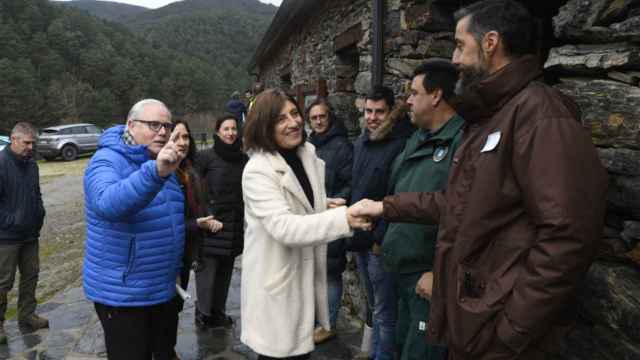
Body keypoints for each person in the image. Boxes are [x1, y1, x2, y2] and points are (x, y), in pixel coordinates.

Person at [351, 1, 609, 359]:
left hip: (500, 335)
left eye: (459, 45)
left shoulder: (540, 114)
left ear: (490, 42)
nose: (453, 59)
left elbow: (568, 236)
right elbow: (461, 202)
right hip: (475, 325)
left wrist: (509, 332)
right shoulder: (491, 117)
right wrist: (385, 206)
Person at [240, 88, 371, 359]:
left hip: (303, 280)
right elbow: (284, 226)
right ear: (264, 126)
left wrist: (323, 205)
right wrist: (343, 218)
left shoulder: (305, 155)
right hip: (278, 285)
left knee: (301, 352)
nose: (294, 122)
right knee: (280, 352)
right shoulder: (257, 171)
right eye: (281, 119)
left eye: (294, 113)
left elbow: (298, 200)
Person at [83, 99, 187, 360]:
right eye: (154, 125)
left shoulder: (160, 161)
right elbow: (108, 203)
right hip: (124, 296)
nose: (163, 132)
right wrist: (155, 173)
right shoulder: (106, 161)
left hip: (161, 289)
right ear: (130, 125)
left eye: (166, 125)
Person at [381, 59, 462, 360]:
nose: (408, 101)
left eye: (414, 93)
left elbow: (463, 214)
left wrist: (438, 273)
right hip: (400, 270)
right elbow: (399, 192)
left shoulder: (462, 141)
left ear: (436, 95)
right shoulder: (416, 138)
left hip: (426, 279)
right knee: (400, 347)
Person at [350, 85, 414, 360]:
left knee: (386, 312)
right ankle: (375, 352)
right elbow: (357, 187)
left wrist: (381, 239)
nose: (373, 117)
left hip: (380, 244)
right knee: (375, 306)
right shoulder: (362, 142)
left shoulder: (400, 145)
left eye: (379, 111)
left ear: (391, 113)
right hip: (361, 239)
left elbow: (398, 195)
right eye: (368, 111)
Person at [171, 119, 223, 353]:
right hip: (168, 252)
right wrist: (195, 224)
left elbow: (198, 205)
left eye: (185, 136)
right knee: (166, 307)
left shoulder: (188, 168)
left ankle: (167, 349)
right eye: (176, 136)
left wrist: (206, 218)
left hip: (187, 249)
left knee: (176, 305)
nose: (182, 142)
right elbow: (161, 223)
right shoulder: (163, 171)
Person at [306, 98, 353, 344]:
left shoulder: (342, 146)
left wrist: (339, 200)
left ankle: (328, 324)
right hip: (310, 219)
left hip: (331, 216)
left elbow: (349, 181)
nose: (318, 121)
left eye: (322, 116)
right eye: (313, 118)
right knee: (314, 273)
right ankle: (316, 321)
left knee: (331, 274)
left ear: (329, 117)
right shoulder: (308, 144)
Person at [194, 114, 248, 329]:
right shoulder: (205, 157)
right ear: (217, 131)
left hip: (233, 225)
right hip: (211, 224)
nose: (231, 133)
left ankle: (218, 312)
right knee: (207, 274)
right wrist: (205, 215)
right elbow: (196, 191)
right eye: (226, 128)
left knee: (225, 274)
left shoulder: (243, 159)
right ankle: (204, 314)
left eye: (234, 128)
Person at [0, 122, 48, 344]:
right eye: (26, 142)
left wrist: (39, 213)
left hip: (30, 234)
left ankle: (27, 316)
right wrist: (10, 222)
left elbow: (36, 193)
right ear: (13, 139)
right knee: (3, 282)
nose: (30, 147)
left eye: (33, 143)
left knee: (31, 276)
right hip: (6, 237)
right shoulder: (1, 163)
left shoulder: (32, 165)